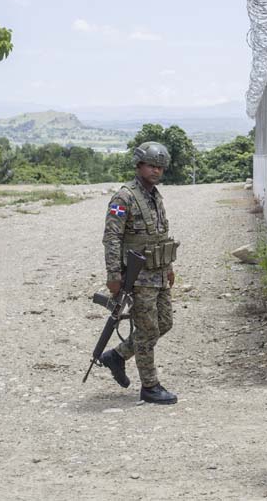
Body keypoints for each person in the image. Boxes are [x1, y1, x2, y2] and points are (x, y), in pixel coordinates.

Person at [98, 141, 180, 404]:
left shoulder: (154, 196)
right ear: (139, 165)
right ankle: (150, 385)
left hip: (157, 272)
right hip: (138, 275)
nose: (156, 171)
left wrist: (168, 267)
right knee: (147, 330)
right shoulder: (125, 197)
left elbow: (159, 235)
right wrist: (114, 275)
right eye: (151, 166)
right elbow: (111, 238)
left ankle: (117, 356)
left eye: (160, 167)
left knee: (164, 323)